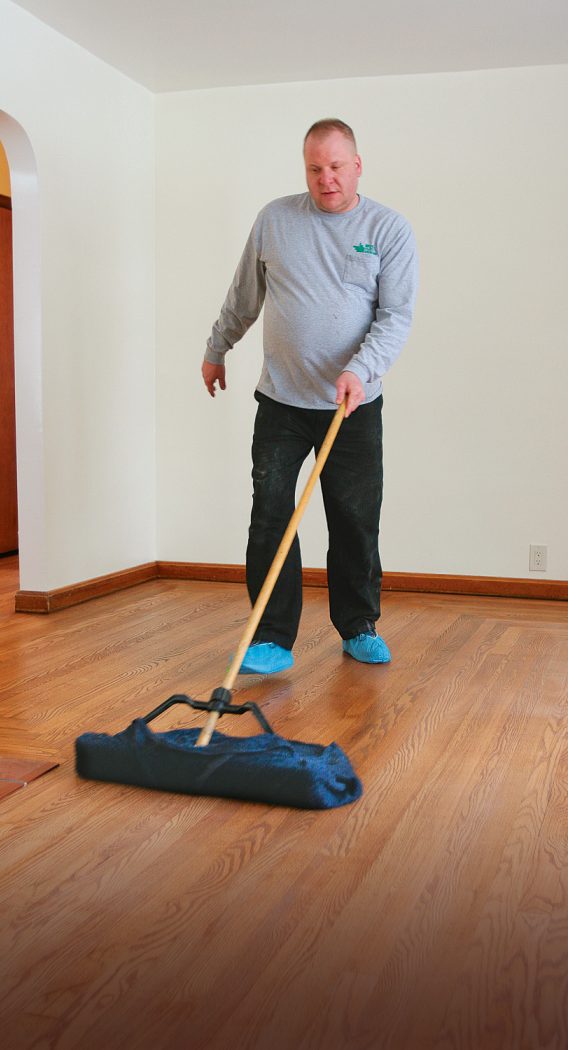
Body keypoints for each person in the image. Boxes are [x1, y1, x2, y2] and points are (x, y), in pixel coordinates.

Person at [202, 118, 418, 675]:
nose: (326, 179)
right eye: (315, 168)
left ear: (358, 165)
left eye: (337, 167)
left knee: (353, 518)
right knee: (271, 514)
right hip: (281, 401)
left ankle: (358, 625)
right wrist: (217, 347)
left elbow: (395, 319)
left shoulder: (388, 229)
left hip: (353, 404)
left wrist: (361, 370)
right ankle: (271, 637)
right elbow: (244, 295)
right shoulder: (275, 220)